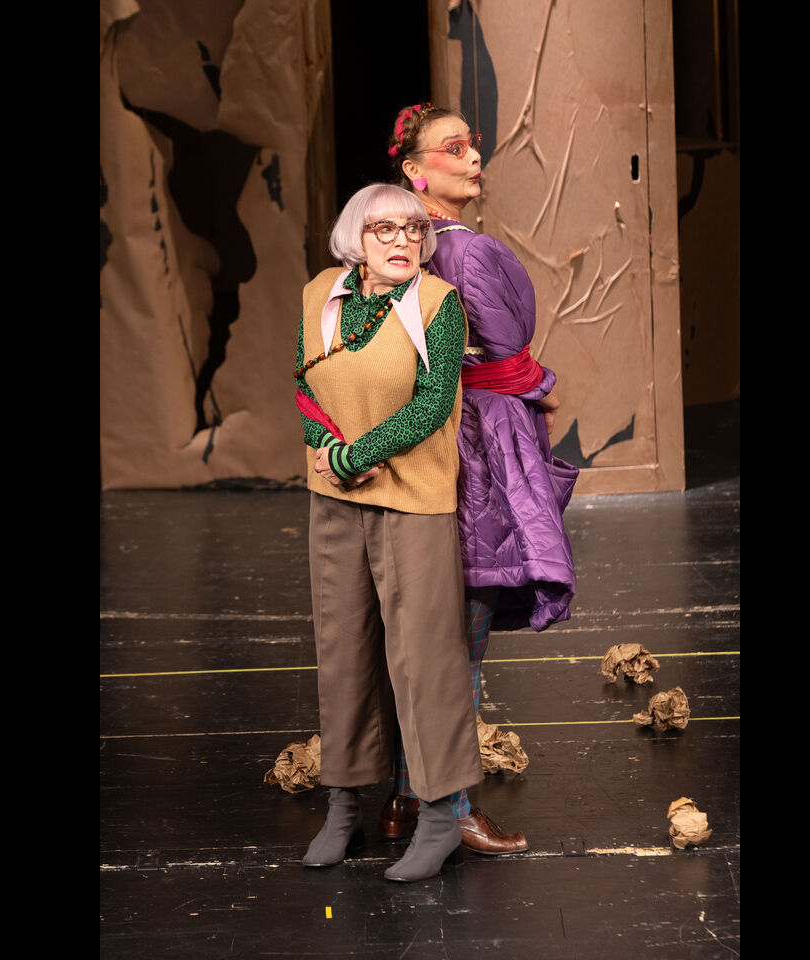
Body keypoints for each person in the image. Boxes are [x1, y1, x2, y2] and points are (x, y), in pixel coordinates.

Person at [375, 103, 579, 855]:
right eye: (453, 148)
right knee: (462, 634)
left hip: (435, 442)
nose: (472, 158)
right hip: (477, 449)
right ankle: (452, 805)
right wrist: (540, 385)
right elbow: (503, 356)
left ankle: (404, 799)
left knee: (428, 633)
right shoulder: (461, 252)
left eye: (474, 145)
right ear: (415, 171)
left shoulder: (398, 253)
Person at [293, 182, 482, 882]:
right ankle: (343, 808)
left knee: (424, 659)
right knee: (342, 650)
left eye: (413, 229)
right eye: (385, 230)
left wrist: (359, 453)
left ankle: (439, 819)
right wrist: (330, 450)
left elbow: (433, 404)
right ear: (357, 239)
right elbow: (306, 385)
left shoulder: (437, 304)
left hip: (414, 501)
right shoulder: (321, 294)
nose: (403, 241)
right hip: (334, 499)